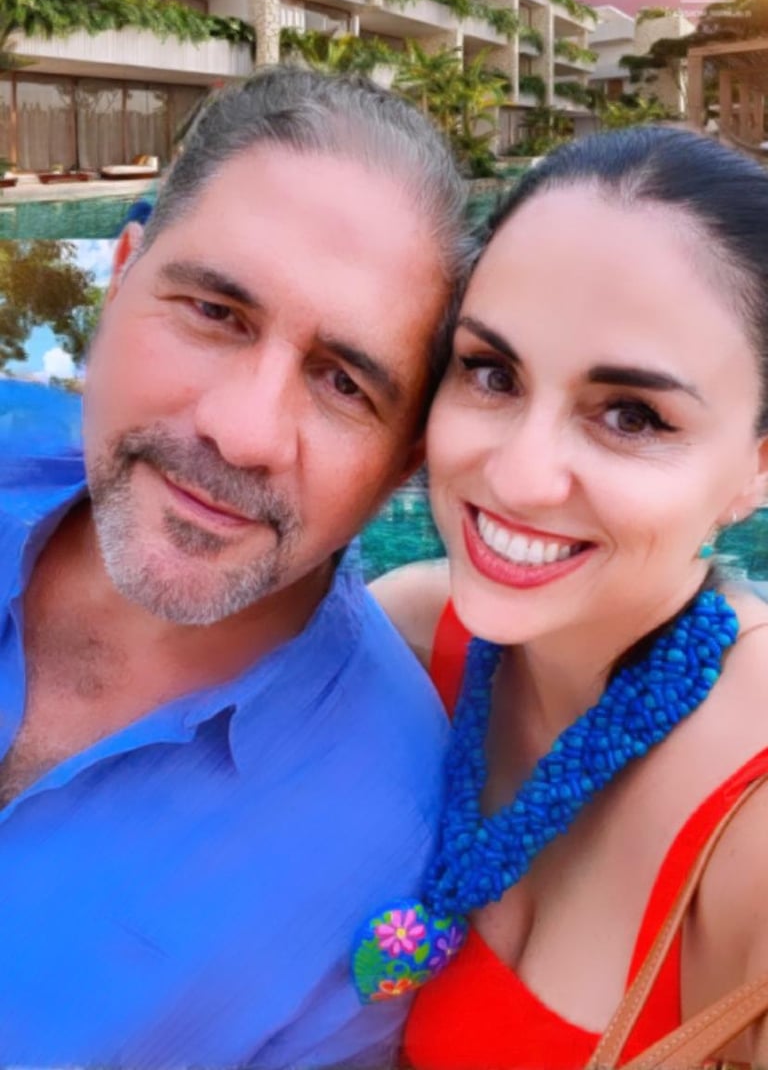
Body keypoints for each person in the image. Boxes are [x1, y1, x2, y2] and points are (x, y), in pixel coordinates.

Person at [0, 66, 475, 1067]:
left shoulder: (390, 848)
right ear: (121, 276)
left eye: (343, 383)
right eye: (216, 312)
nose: (244, 431)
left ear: (403, 466)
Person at [374, 126, 768, 1067]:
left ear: (756, 469)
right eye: (491, 372)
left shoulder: (752, 820)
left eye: (632, 415)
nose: (518, 475)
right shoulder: (404, 641)